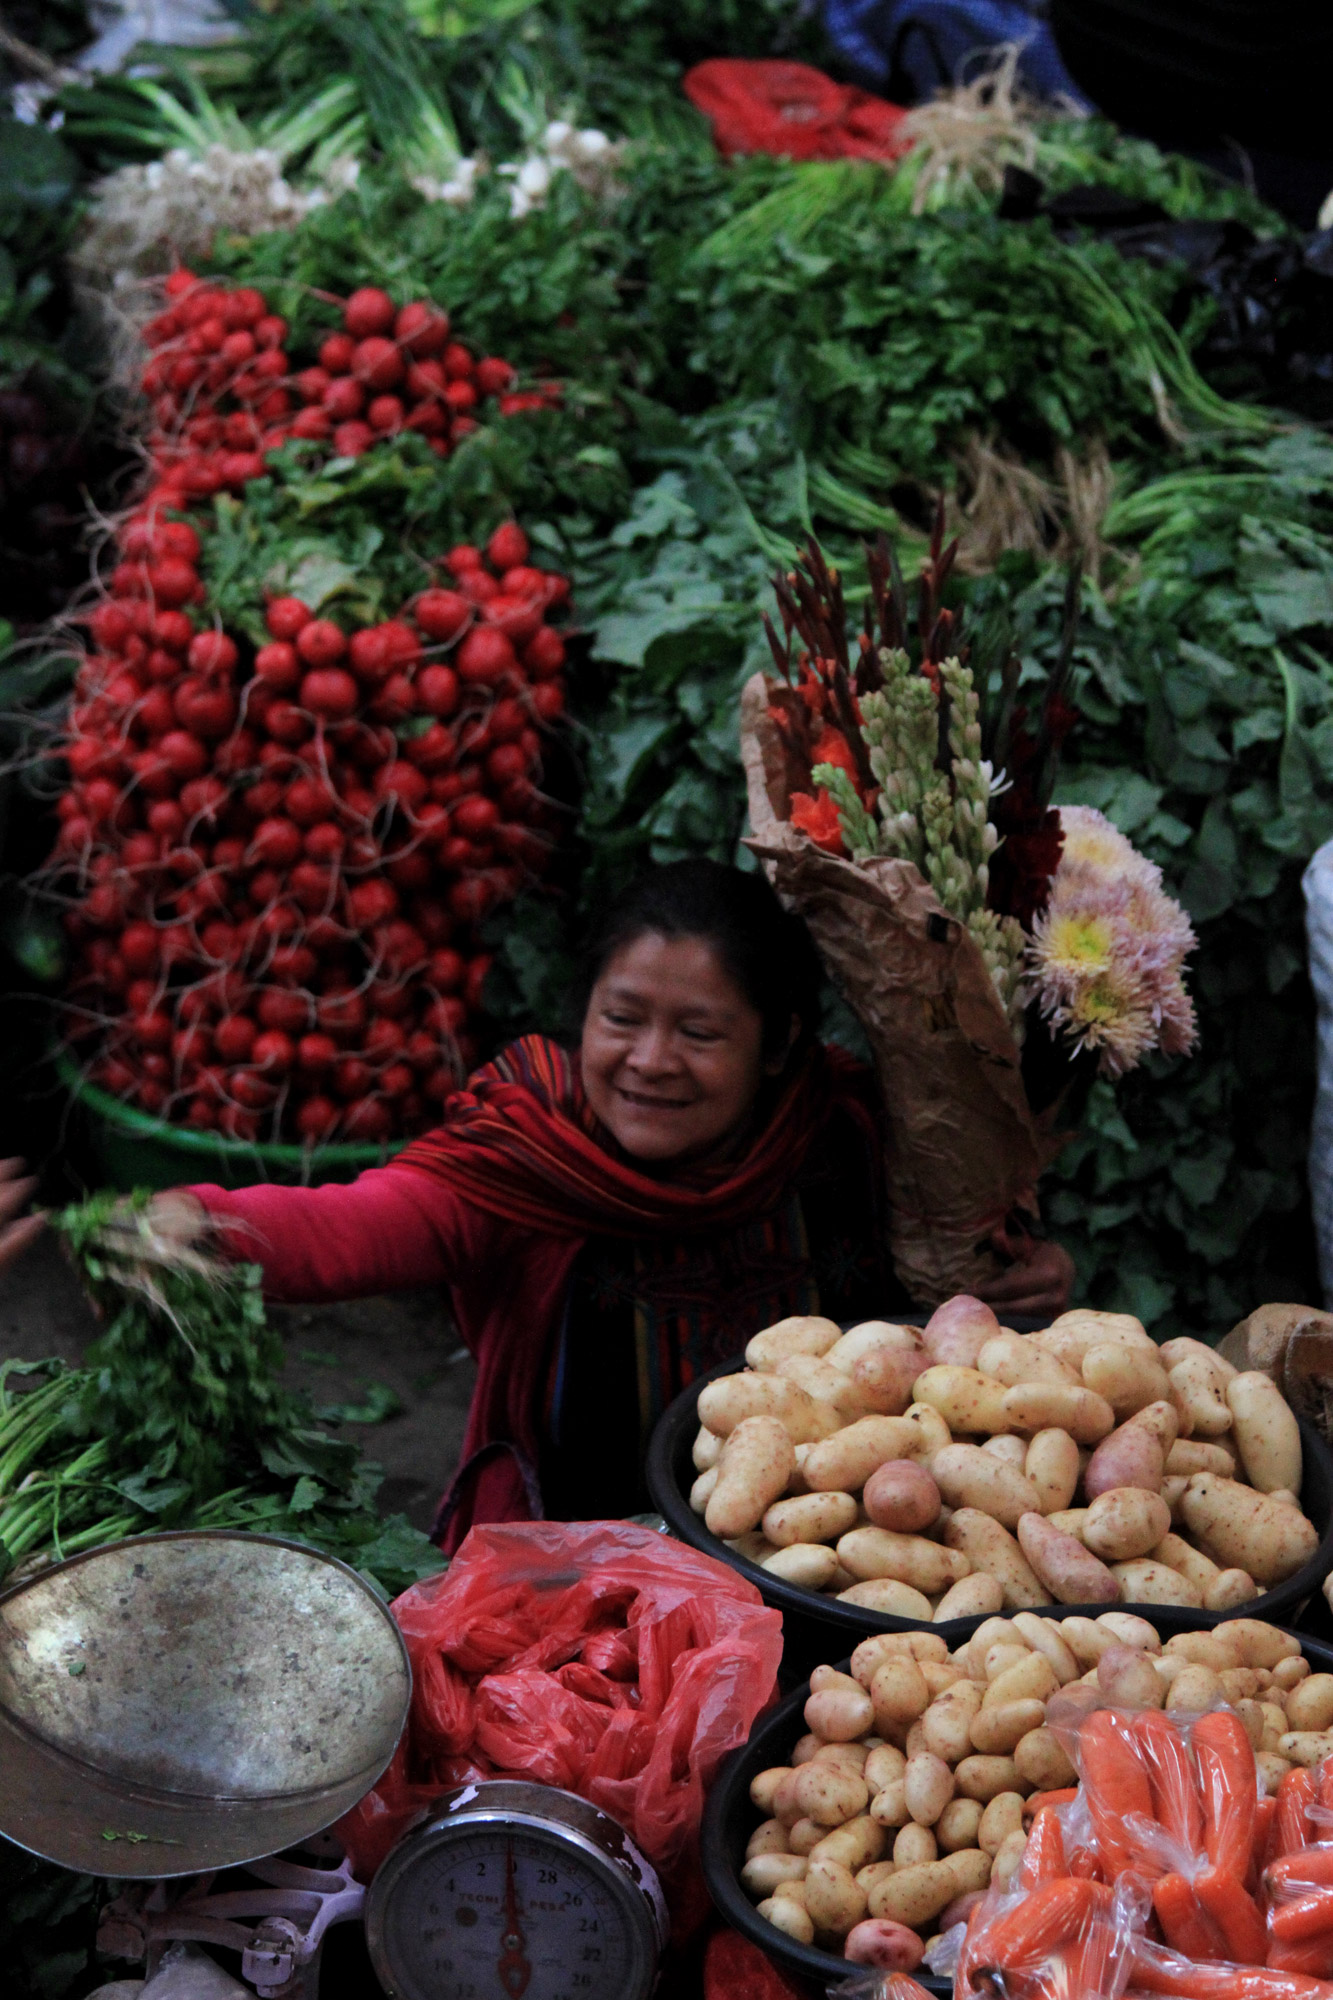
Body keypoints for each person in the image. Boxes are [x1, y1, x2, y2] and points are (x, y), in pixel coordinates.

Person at [11, 861, 1073, 1544]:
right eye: (622, 1017)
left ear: (782, 1043)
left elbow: (950, 1322)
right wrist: (197, 1222)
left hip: (833, 1560)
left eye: (700, 1032)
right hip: (564, 1563)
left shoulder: (845, 1133)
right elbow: (374, 1219)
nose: (648, 1062)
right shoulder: (533, 1145)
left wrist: (1015, 1305)